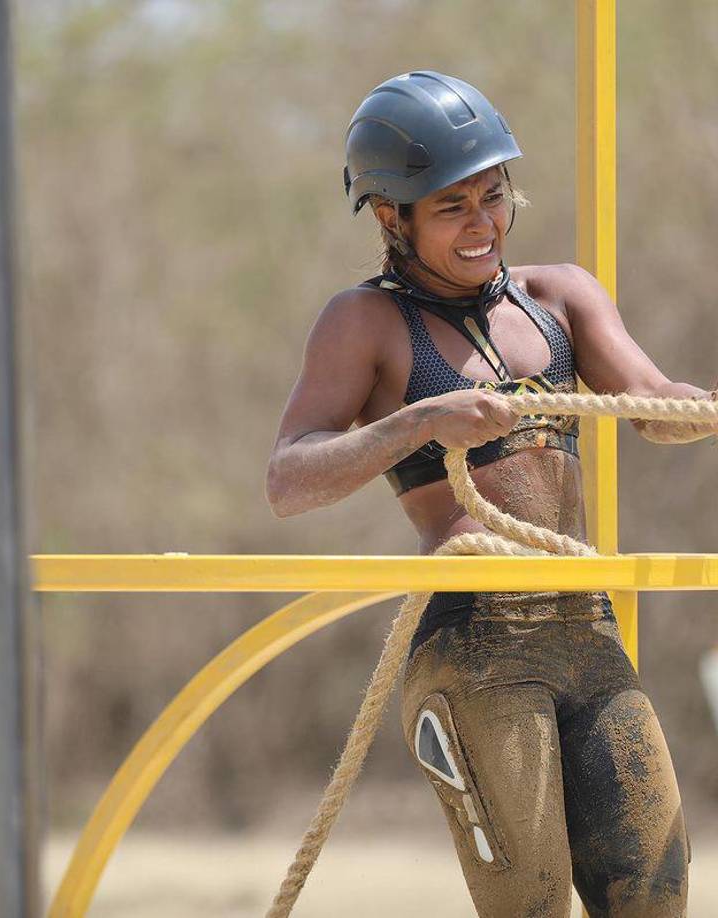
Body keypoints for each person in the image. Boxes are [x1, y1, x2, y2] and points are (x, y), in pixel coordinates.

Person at [265, 71, 717, 917]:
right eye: (452, 208)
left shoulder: (560, 296)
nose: (484, 225)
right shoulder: (363, 322)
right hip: (474, 648)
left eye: (494, 196)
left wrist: (702, 407)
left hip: (587, 635)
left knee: (654, 895)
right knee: (530, 904)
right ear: (391, 217)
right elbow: (289, 478)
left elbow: (658, 408)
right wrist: (418, 421)